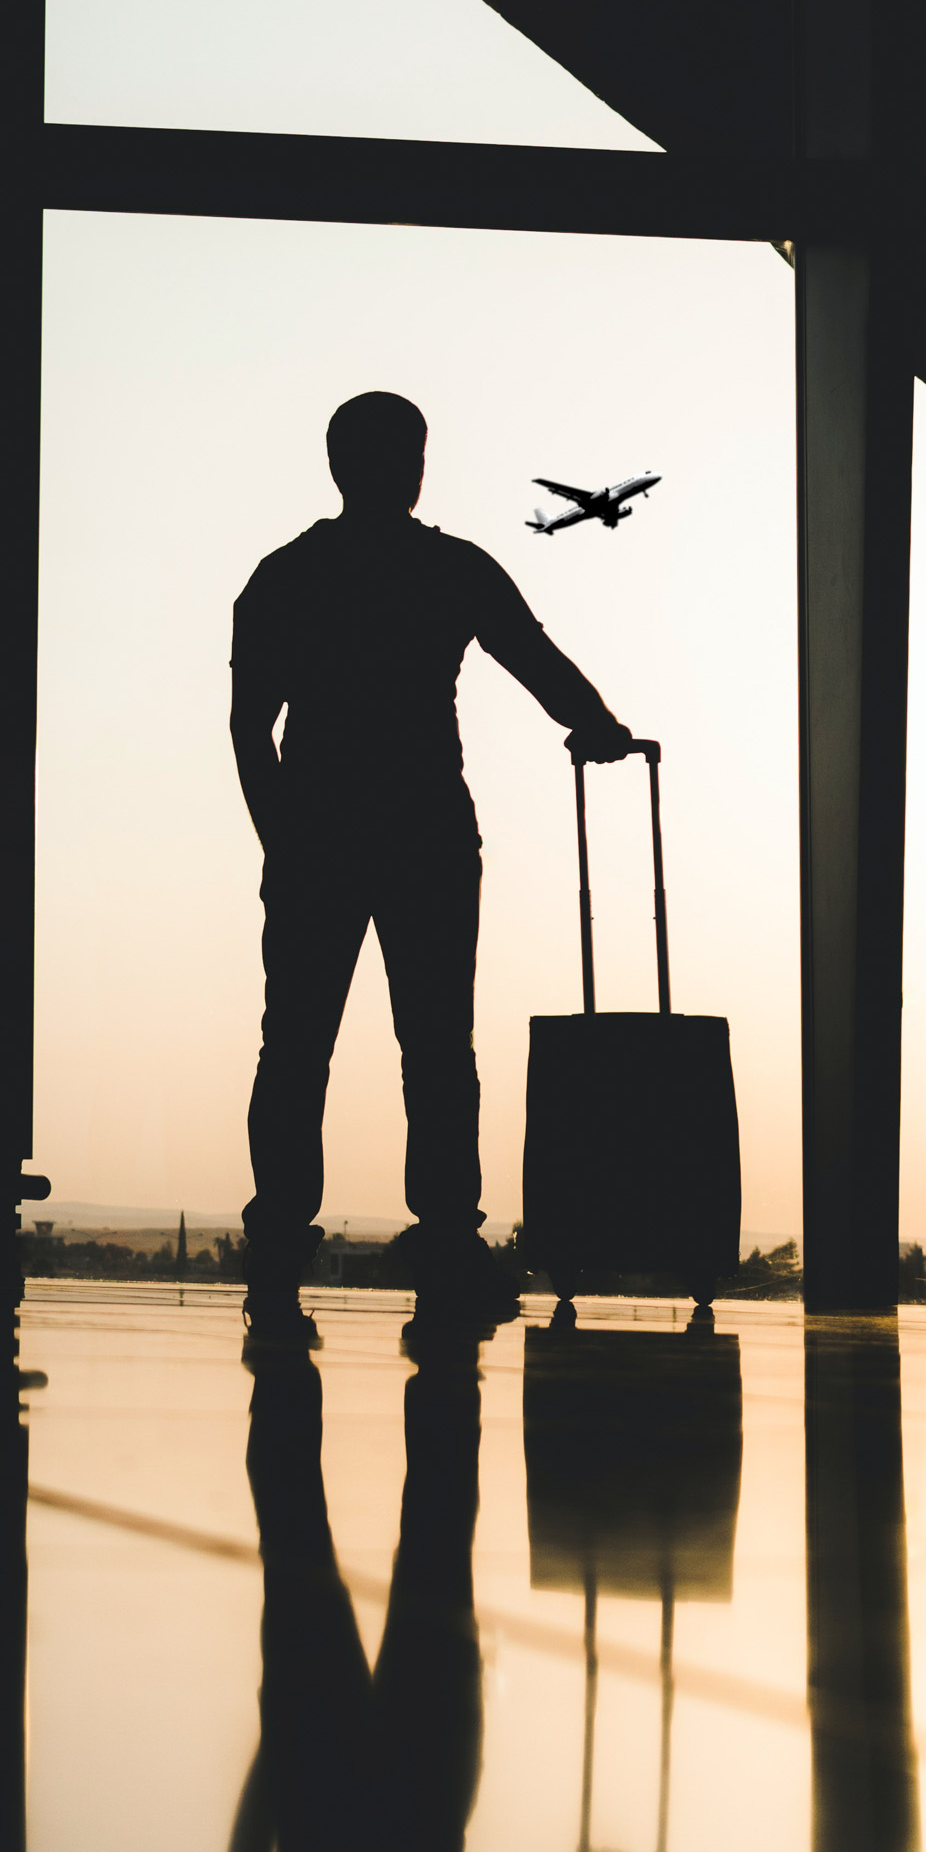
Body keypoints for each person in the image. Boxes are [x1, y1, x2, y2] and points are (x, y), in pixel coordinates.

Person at [232, 391, 632, 1345]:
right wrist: (598, 725)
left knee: (296, 1049)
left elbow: (253, 728)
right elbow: (530, 656)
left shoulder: (288, 576)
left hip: (321, 832)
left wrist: (280, 838)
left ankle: (280, 1243)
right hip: (424, 833)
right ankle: (447, 1240)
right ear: (413, 465)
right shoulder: (447, 568)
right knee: (439, 1050)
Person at [226, 1337, 636, 1852]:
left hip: (423, 1790)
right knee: (300, 1547)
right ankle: (286, 1364)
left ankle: (444, 1372)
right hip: (321, 1780)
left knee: (436, 1547)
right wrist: (281, 1743)